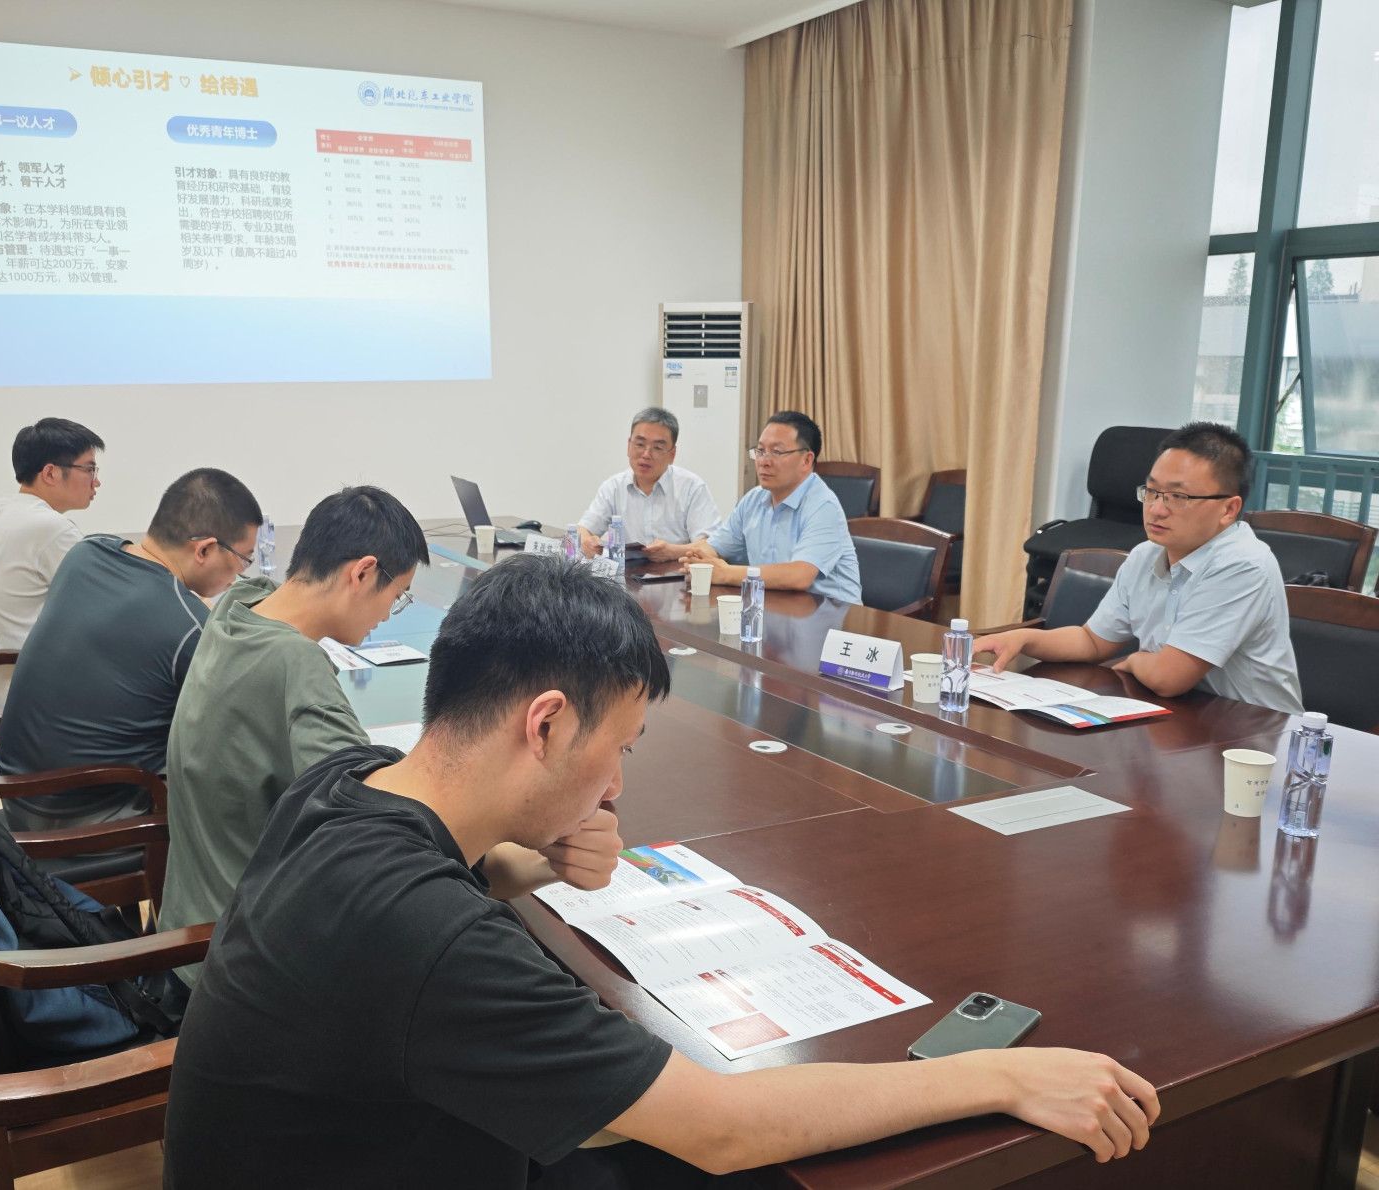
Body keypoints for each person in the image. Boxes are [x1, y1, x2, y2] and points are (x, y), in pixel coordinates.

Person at [164, 555, 1159, 1189]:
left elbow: (451, 869)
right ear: (545, 723)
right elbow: (722, 1127)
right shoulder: (430, 939)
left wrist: (528, 857)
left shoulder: (346, 781)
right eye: (621, 749)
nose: (615, 785)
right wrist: (997, 1073)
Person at [157, 486, 430, 1003]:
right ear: (363, 573)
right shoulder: (296, 664)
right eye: (397, 596)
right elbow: (382, 827)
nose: (388, 614)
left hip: (188, 922)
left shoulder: (238, 605)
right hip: (239, 965)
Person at [0, 468, 262, 831]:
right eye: (244, 560)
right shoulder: (188, 627)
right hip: (87, 824)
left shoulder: (86, 552)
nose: (238, 576)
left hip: (15, 792)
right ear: (204, 549)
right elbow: (238, 727)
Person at [974, 422, 1302, 714]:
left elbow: (1169, 678)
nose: (1156, 509)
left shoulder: (1242, 564)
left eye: (1178, 497)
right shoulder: (1146, 555)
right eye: (1152, 491)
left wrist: (1133, 660)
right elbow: (1092, 641)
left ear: (1228, 509)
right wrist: (1023, 639)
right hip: (1181, 715)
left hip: (1256, 731)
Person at [0, 418, 105, 714]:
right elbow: (105, 604)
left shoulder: (0, 512)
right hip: (23, 701)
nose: (96, 481)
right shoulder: (50, 528)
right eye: (89, 469)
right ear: (51, 473)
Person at [681, 410, 861, 603]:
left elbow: (799, 576)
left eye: (776, 452)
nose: (764, 461)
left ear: (806, 460)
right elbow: (715, 546)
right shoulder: (753, 499)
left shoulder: (823, 506)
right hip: (775, 607)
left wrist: (725, 573)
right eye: (760, 451)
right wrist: (698, 559)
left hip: (833, 614)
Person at [577, 407, 721, 562]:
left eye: (657, 447)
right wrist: (587, 542)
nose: (646, 454)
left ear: (672, 454)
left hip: (679, 574)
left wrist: (673, 552)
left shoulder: (692, 488)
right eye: (640, 444)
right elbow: (582, 529)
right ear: (629, 446)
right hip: (627, 575)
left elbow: (712, 546)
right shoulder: (613, 487)